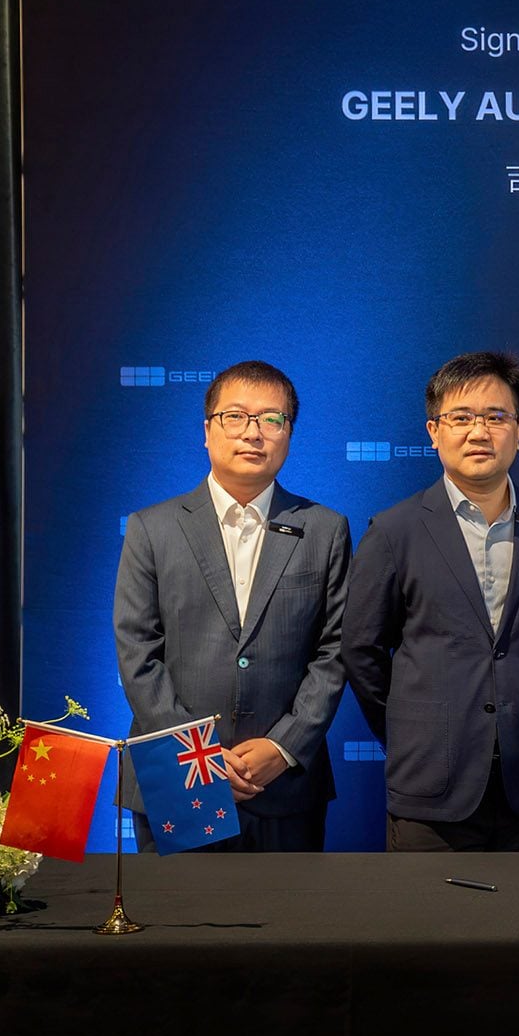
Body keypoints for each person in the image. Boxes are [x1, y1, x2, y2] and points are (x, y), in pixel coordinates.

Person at [340, 351, 519, 851]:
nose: (479, 432)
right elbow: (362, 650)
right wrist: (415, 723)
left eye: (496, 417)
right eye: (461, 418)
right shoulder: (394, 530)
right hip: (430, 780)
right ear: (434, 431)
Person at [114, 360, 350, 851]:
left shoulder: (325, 529)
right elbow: (138, 652)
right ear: (207, 431)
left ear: (289, 434)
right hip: (177, 776)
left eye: (271, 419)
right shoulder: (151, 528)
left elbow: (335, 651)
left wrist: (283, 746)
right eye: (235, 416)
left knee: (286, 905)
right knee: (175, 904)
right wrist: (195, 754)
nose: (253, 433)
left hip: (283, 781)